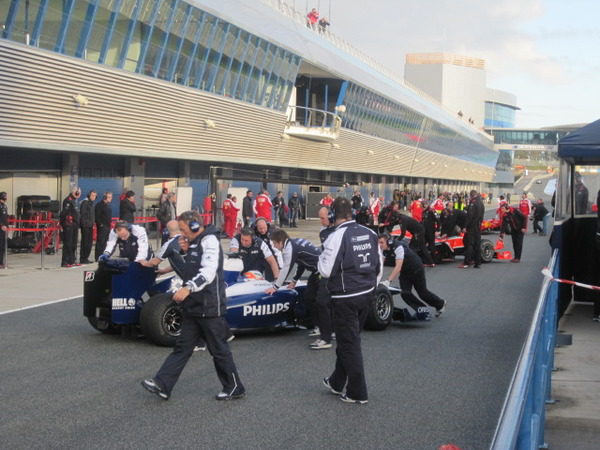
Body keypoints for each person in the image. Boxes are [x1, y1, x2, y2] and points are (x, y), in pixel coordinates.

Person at [141, 211, 245, 401]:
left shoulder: (210, 241)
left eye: (183, 229)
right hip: (194, 305)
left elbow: (209, 271)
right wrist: (186, 250)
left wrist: (188, 288)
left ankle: (234, 387)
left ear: (195, 226)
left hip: (209, 304)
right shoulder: (194, 242)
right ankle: (163, 384)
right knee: (182, 347)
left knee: (218, 349)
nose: (181, 233)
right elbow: (193, 265)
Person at [318, 196, 381, 404]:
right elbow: (379, 263)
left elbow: (325, 271)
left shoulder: (335, 237)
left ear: (334, 215)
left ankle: (357, 392)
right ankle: (337, 381)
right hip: (367, 292)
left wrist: (320, 258)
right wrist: (370, 285)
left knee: (349, 343)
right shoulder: (370, 232)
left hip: (345, 297)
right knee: (349, 340)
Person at [266, 229, 321, 332]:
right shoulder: (294, 242)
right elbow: (302, 263)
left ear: (280, 242)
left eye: (274, 243)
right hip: (318, 270)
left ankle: (326, 328)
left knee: (318, 300)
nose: (274, 246)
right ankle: (317, 325)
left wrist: (275, 287)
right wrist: (294, 280)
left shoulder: (290, 248)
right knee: (309, 297)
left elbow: (286, 269)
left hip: (323, 271)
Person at [379, 234, 445, 318]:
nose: (380, 245)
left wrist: (388, 281)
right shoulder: (383, 250)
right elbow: (380, 265)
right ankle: (422, 310)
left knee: (422, 293)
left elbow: (398, 267)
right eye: (379, 243)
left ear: (388, 242)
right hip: (405, 271)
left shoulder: (398, 247)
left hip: (416, 268)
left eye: (381, 242)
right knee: (405, 293)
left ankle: (440, 304)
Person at [309, 207, 336, 350]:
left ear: (331, 217)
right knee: (321, 301)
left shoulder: (339, 231)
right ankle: (328, 331)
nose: (321, 221)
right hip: (325, 271)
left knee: (323, 302)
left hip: (337, 273)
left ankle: (326, 337)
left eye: (323, 218)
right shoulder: (322, 231)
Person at [459, 190, 484, 269]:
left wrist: (465, 226)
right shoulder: (481, 202)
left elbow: (470, 216)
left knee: (469, 244)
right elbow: (482, 215)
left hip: (472, 226)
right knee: (477, 244)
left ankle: (467, 262)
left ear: (471, 195)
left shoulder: (473, 203)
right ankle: (478, 262)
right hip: (478, 225)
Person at [60, 187, 81, 268]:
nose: (78, 194)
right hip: (69, 225)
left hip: (75, 225)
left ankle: (72, 260)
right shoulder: (67, 200)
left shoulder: (75, 201)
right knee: (67, 244)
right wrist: (64, 224)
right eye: (76, 192)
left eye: (79, 193)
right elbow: (64, 213)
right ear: (73, 192)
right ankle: (65, 261)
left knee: (74, 244)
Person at [79, 190, 97, 264]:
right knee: (85, 242)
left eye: (95, 196)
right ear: (89, 195)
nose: (94, 197)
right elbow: (83, 215)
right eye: (92, 195)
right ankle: (83, 258)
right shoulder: (85, 203)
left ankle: (86, 257)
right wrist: (85, 224)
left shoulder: (91, 203)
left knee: (89, 243)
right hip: (86, 226)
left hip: (90, 225)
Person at [94, 192, 113, 261]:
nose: (111, 198)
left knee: (105, 242)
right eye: (110, 197)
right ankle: (98, 256)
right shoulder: (99, 205)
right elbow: (97, 216)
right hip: (102, 226)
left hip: (107, 226)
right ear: (105, 197)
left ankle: (104, 256)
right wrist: (100, 224)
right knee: (100, 242)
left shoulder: (107, 205)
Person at [0, 191, 8, 269]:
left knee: (3, 246)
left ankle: (1, 262)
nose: (6, 197)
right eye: (4, 196)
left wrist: (7, 226)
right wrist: (1, 225)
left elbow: (5, 217)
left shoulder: (4, 206)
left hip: (4, 229)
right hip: (0, 228)